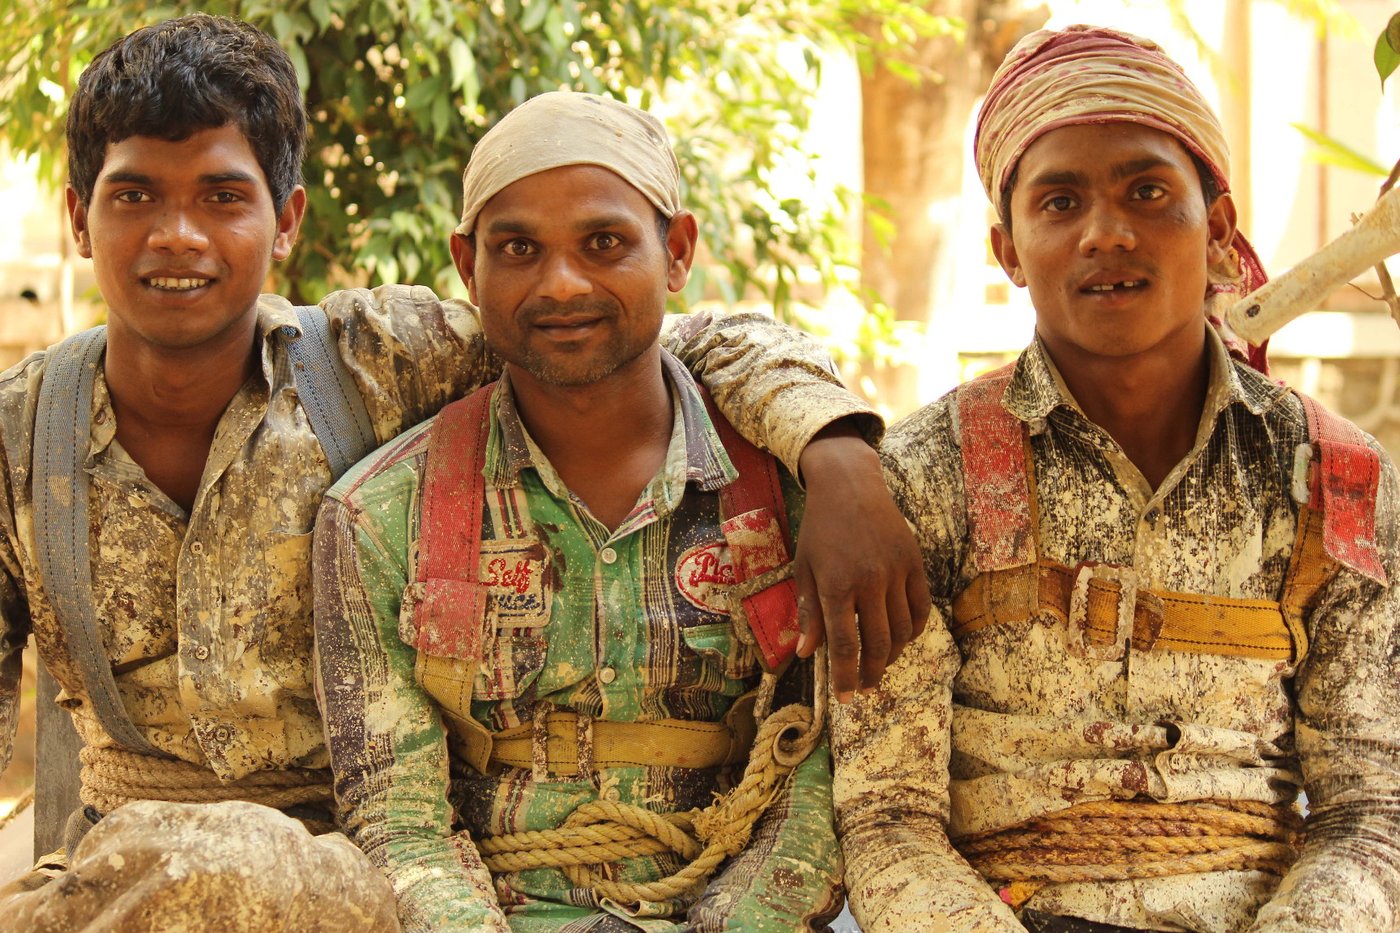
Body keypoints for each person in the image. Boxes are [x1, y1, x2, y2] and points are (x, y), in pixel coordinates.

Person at [0, 14, 927, 930]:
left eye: (220, 196)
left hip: (356, 863)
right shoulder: (17, 439)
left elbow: (644, 347)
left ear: (285, 222)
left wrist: (836, 448)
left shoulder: (370, 364)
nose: (178, 236)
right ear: (79, 217)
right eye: (134, 197)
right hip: (127, 869)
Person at [833, 24, 1400, 933]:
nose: (1106, 232)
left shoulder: (1334, 480)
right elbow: (886, 816)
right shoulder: (923, 474)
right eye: (1058, 203)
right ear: (1008, 249)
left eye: (1148, 191)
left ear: (1216, 231)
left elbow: (1370, 813)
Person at [313, 91, 845, 932]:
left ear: (676, 252)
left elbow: (818, 775)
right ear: (466, 264)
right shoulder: (379, 514)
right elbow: (398, 823)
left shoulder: (796, 492)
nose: (561, 283)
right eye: (518, 248)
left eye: (604, 242)